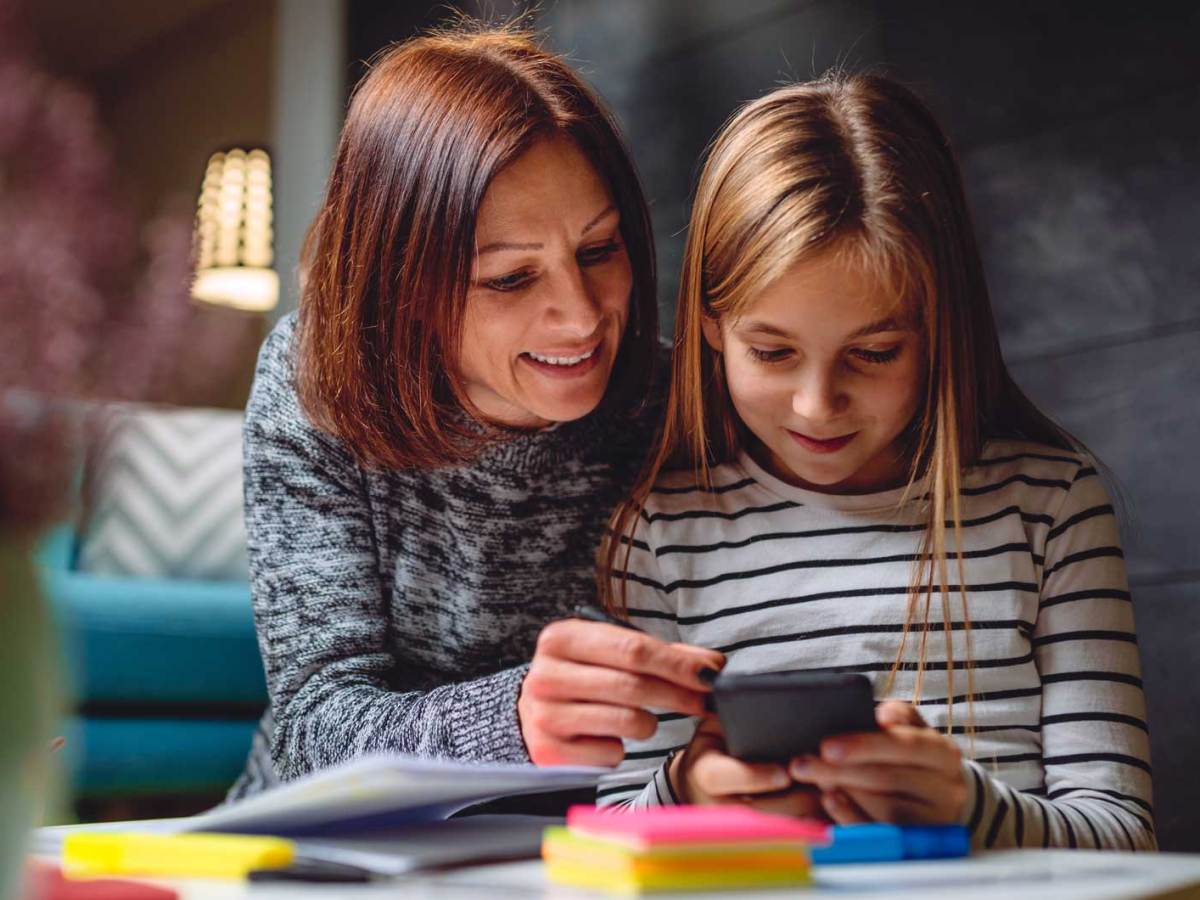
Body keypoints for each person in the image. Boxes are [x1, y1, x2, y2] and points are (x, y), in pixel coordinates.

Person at [595, 73, 1154, 851]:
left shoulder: (1050, 504)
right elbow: (608, 843)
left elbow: (1125, 839)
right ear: (712, 326)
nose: (817, 404)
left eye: (874, 352)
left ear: (939, 331)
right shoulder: (661, 533)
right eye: (773, 351)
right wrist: (689, 791)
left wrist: (966, 806)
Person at [227, 24, 722, 801]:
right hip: (330, 841)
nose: (583, 316)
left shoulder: (673, 402)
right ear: (403, 284)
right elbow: (314, 729)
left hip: (585, 846)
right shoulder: (312, 385)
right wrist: (517, 719)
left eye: (599, 251)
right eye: (510, 279)